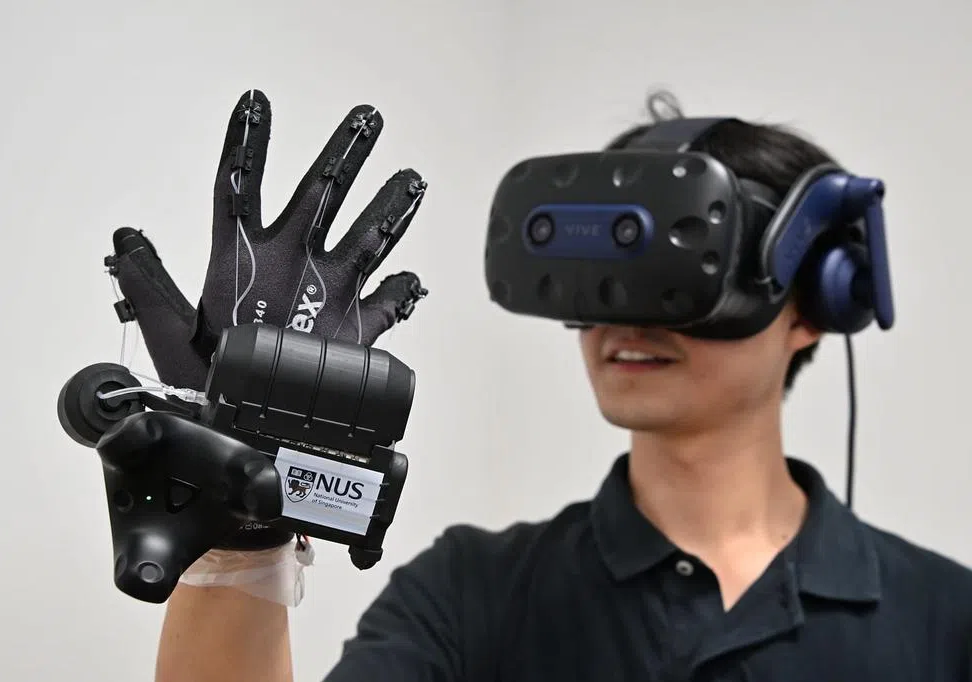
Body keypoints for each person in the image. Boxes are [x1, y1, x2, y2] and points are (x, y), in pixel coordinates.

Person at [153, 99, 972, 681]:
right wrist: (242, 513)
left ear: (818, 301)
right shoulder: (471, 596)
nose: (628, 316)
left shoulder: (947, 621)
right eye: (600, 269)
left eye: (682, 267)